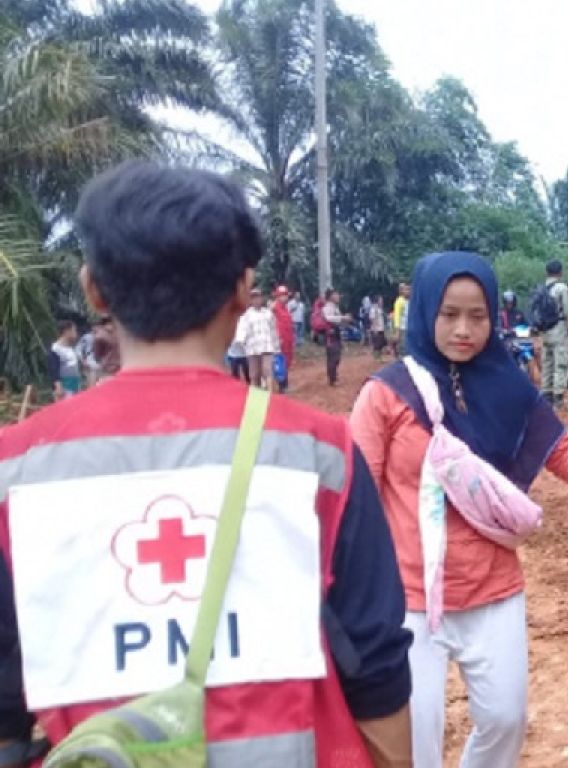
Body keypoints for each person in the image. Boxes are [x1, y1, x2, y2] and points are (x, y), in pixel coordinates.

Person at [0, 161, 413, 766]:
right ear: (244, 289)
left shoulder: (16, 472)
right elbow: (375, 665)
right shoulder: (322, 455)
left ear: (94, 289)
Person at [350, 251, 568, 768]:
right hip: (410, 597)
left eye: (478, 316)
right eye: (449, 315)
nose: (464, 329)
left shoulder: (508, 382)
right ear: (424, 312)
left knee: (506, 721)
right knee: (415, 738)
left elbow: (556, 444)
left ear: (495, 316)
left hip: (493, 587)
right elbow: (354, 493)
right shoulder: (385, 395)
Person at [536, 260, 568, 409]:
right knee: (561, 363)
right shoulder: (561, 288)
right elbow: (567, 311)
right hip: (558, 329)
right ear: (560, 272)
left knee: (547, 362)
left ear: (547, 272)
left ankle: (546, 396)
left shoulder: (541, 288)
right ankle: (559, 399)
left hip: (545, 330)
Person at [237, 288, 279, 391]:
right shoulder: (246, 316)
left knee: (267, 372)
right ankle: (257, 403)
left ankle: (270, 398)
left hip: (267, 347)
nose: (256, 300)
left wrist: (277, 346)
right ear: (251, 300)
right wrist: (241, 342)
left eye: (258, 297)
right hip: (253, 349)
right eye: (254, 298)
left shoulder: (268, 313)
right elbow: (241, 332)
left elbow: (273, 330)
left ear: (262, 298)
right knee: (254, 375)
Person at [47, 320, 82, 400]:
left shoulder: (70, 348)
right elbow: (53, 370)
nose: (76, 333)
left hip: (75, 384)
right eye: (74, 330)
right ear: (67, 332)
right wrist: (58, 387)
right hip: (64, 386)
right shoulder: (55, 350)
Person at [323, 289, 350, 386]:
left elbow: (338, 319)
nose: (338, 296)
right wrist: (342, 318)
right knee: (333, 357)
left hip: (336, 333)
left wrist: (344, 319)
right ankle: (332, 379)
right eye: (336, 295)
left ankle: (333, 375)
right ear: (331, 297)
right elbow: (328, 318)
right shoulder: (327, 307)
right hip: (330, 335)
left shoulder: (335, 307)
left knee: (336, 356)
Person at [273, 285, 295, 393]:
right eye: (283, 295)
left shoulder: (286, 308)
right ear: (278, 297)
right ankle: (282, 386)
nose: (285, 298)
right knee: (281, 363)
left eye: (286, 295)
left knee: (287, 361)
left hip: (288, 340)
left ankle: (285, 384)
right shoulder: (274, 308)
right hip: (280, 341)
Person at [392, 283, 411, 357]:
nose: (409, 291)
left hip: (410, 328)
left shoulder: (409, 301)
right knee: (403, 348)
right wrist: (397, 331)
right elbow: (397, 317)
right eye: (407, 289)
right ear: (401, 291)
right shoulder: (399, 302)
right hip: (403, 328)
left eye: (409, 289)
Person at [369, 295, 387, 359]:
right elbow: (372, 319)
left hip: (381, 328)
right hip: (376, 329)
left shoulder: (380, 308)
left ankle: (379, 356)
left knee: (382, 343)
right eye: (381, 300)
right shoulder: (374, 308)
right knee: (377, 344)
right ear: (377, 301)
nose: (382, 301)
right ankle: (376, 357)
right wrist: (375, 329)